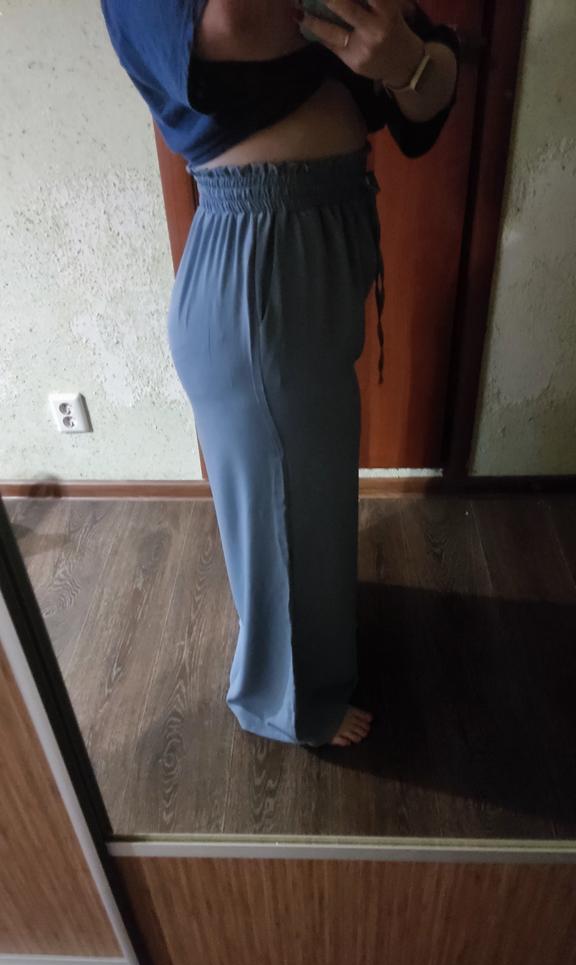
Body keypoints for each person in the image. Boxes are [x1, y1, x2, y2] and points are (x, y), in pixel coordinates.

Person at [100, 0, 460, 748]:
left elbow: (430, 86)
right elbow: (231, 27)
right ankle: (287, 706)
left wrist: (409, 63)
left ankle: (303, 649)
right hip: (261, 262)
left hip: (307, 253)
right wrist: (395, 45)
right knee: (284, 510)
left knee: (301, 498)